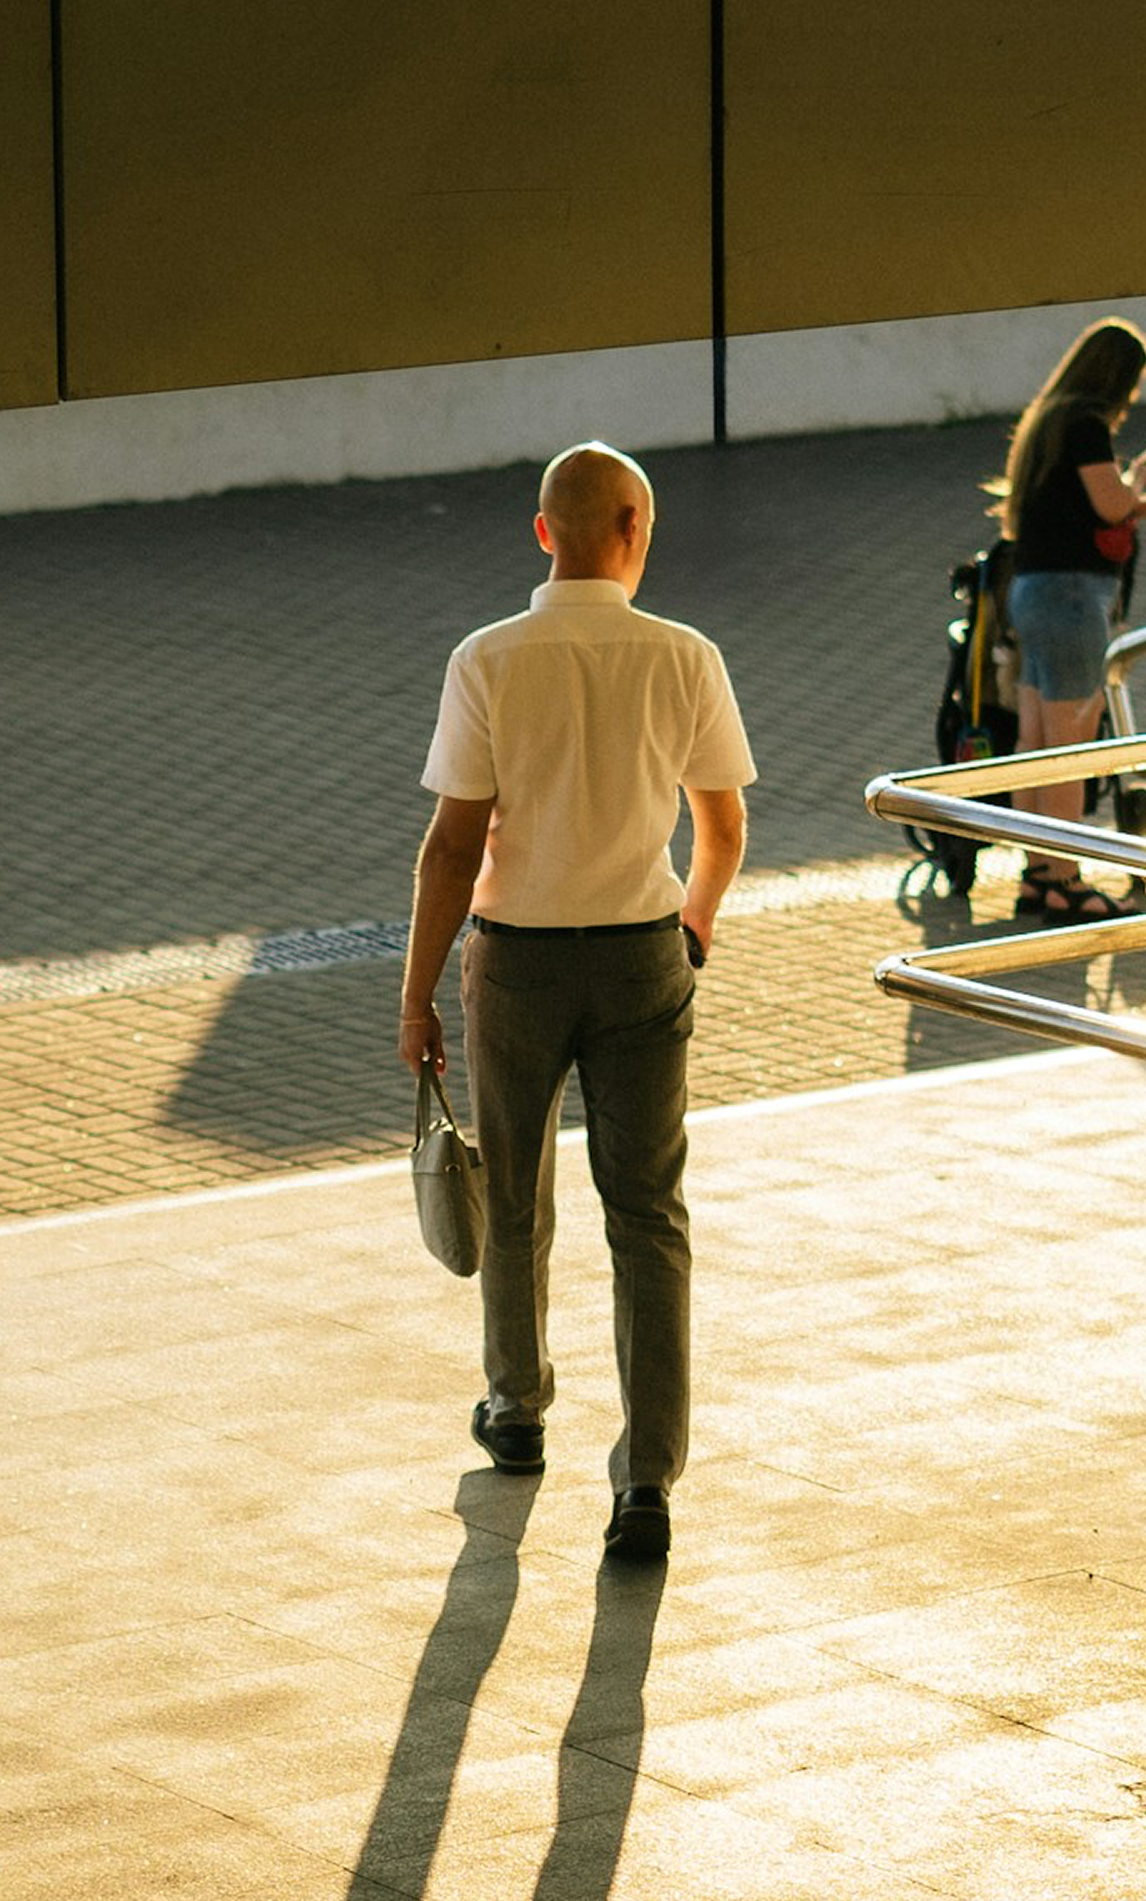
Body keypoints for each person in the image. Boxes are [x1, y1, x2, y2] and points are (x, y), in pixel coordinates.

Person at [398, 441, 754, 1564]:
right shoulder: (684, 655)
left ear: (541, 531)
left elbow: (452, 847)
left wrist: (415, 995)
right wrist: (689, 927)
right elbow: (724, 824)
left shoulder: (486, 658)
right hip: (645, 952)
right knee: (648, 1214)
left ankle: (516, 1408)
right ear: (636, 527)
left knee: (513, 1192)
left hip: (516, 961)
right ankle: (644, 1478)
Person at [981, 316, 1146, 923]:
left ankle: (1036, 874)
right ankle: (1065, 878)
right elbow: (1112, 508)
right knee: (1070, 747)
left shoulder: (1046, 422)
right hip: (1073, 597)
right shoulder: (1085, 424)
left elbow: (1098, 506)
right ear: (1120, 377)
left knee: (1034, 743)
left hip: (1030, 590)